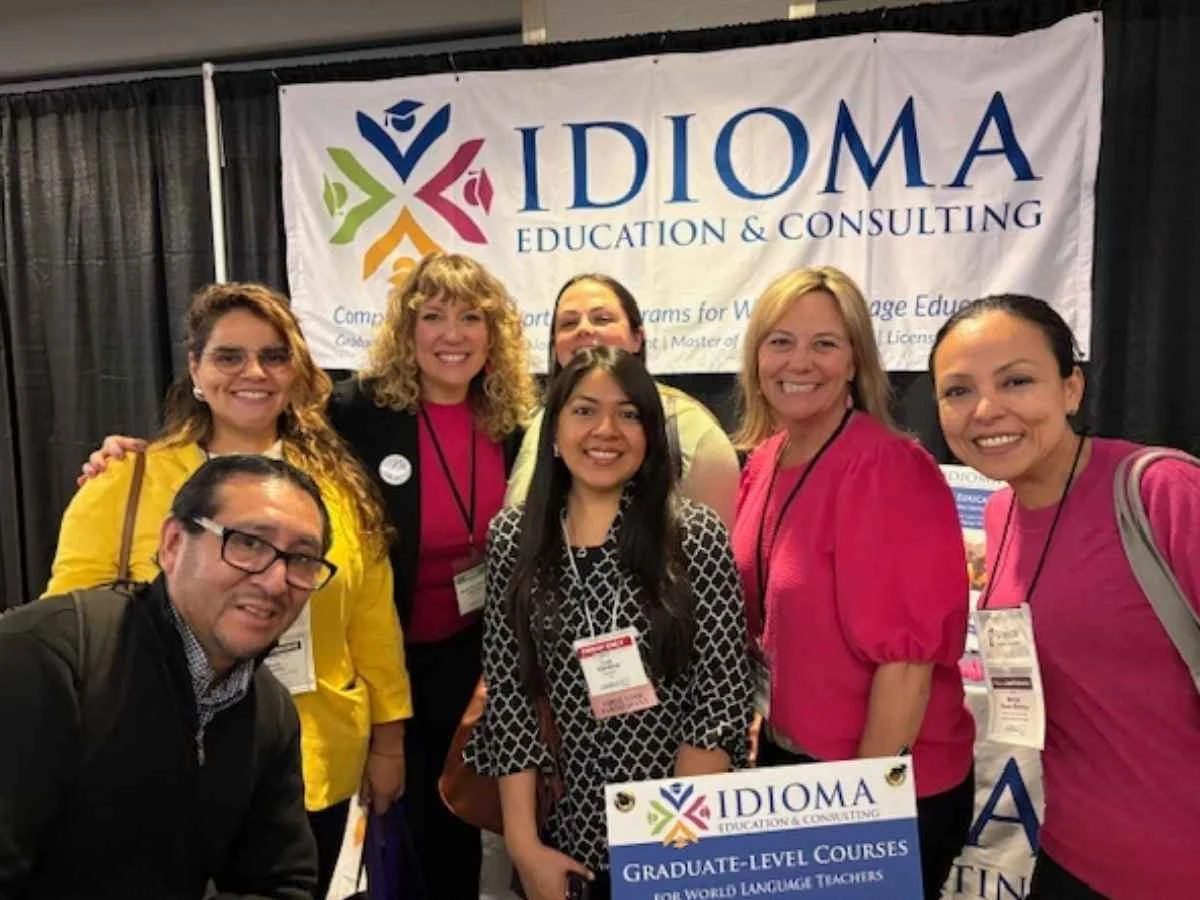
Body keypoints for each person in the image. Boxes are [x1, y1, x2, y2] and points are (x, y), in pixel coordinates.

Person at [49, 282, 411, 899]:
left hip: (313, 763)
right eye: (228, 356)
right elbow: (70, 632)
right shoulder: (126, 482)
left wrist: (389, 745)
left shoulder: (341, 490)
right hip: (155, 762)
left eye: (273, 356)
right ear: (195, 368)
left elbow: (372, 624)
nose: (254, 372)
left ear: (296, 370)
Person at [929, 294, 1200, 900]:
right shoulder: (999, 515)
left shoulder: (1162, 493)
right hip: (1068, 858)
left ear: (1071, 389)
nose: (987, 409)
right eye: (958, 391)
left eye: (1017, 381)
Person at [468, 347, 751, 900]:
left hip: (677, 837)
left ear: (650, 437)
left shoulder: (691, 537)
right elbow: (510, 697)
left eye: (628, 414)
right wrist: (526, 851)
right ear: (553, 432)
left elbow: (720, 700)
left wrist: (669, 851)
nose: (606, 430)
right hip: (563, 836)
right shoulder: (514, 539)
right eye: (584, 411)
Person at [731, 266, 974, 900]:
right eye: (780, 341)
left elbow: (908, 664)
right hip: (794, 767)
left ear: (854, 361)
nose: (799, 361)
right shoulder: (766, 459)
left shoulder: (887, 468)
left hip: (880, 789)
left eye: (825, 343)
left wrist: (863, 822)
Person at [0, 455, 324, 898]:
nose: (275, 581)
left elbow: (282, 883)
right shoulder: (47, 658)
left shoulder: (268, 709)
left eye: (303, 558)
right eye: (248, 543)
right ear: (172, 544)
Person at [327, 251, 535, 899]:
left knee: (458, 819)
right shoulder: (357, 414)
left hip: (476, 659)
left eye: (471, 317)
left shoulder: (513, 421)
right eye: (434, 316)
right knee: (401, 824)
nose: (452, 334)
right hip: (387, 659)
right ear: (406, 330)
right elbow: (260, 444)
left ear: (493, 332)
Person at [505, 273, 740, 527]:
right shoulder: (540, 424)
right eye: (569, 323)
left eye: (602, 319)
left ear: (637, 338)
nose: (584, 329)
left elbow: (718, 547)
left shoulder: (692, 430)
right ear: (555, 347)